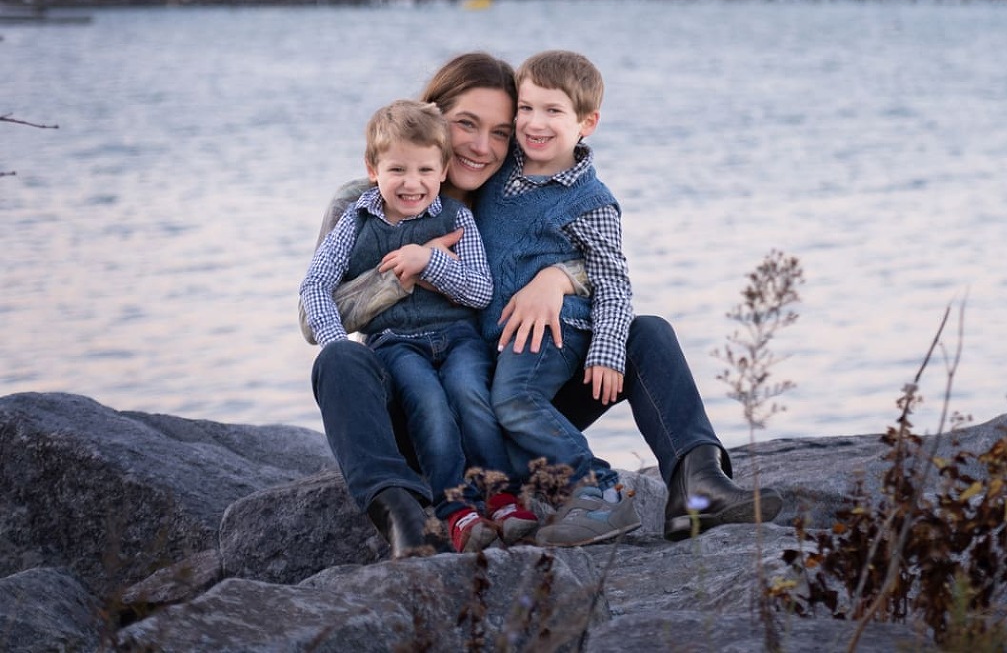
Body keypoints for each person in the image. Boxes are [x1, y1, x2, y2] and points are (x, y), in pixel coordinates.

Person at [309, 52, 778, 558]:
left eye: (500, 132)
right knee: (338, 360)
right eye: (466, 125)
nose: (481, 147)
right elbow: (313, 318)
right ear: (433, 116)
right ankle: (400, 511)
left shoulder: (511, 184)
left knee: (647, 333)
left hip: (509, 398)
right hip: (418, 401)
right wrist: (405, 272)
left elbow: (598, 262)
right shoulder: (366, 202)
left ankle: (698, 481)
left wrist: (556, 278)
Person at [299, 99, 536, 552]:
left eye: (426, 170)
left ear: (444, 169)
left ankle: (501, 495)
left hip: (458, 336)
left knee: (470, 393)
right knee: (427, 401)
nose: (413, 184)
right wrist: (340, 348)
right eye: (398, 171)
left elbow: (479, 292)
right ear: (373, 169)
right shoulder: (356, 219)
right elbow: (315, 287)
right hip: (395, 344)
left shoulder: (457, 217)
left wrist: (428, 262)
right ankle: (456, 509)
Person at [473, 50, 640, 545]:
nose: (534, 122)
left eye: (552, 111)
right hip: (503, 333)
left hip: (555, 329)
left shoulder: (591, 201)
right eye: (525, 108)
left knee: (515, 400)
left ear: (587, 123)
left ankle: (600, 490)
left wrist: (608, 350)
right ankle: (558, 497)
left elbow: (612, 280)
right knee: (500, 422)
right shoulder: (501, 173)